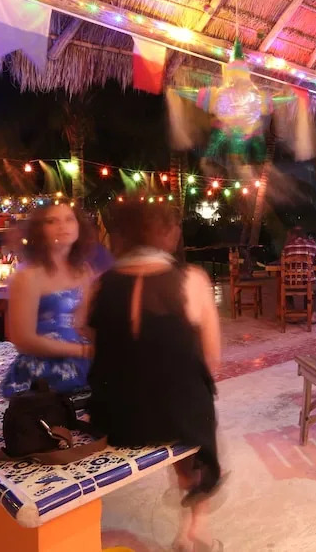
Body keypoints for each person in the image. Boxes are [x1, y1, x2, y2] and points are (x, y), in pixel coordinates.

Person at [83, 202, 222, 552]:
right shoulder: (192, 279)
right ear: (167, 234)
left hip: (115, 419)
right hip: (176, 419)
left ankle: (192, 519)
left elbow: (93, 345)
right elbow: (212, 358)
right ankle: (197, 527)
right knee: (195, 404)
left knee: (171, 396)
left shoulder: (99, 285)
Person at [0, 202, 96, 397]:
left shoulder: (83, 270)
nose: (62, 226)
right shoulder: (27, 276)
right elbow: (23, 340)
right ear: (39, 230)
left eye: (69, 219)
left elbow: (84, 324)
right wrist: (82, 351)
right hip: (43, 366)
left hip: (81, 358)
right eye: (52, 221)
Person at [282, 227, 316, 317]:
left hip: (290, 284)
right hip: (309, 283)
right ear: (304, 234)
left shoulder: (287, 246)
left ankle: (290, 313)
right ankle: (314, 314)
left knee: (282, 285)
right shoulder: (312, 244)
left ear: (292, 235)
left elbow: (283, 261)